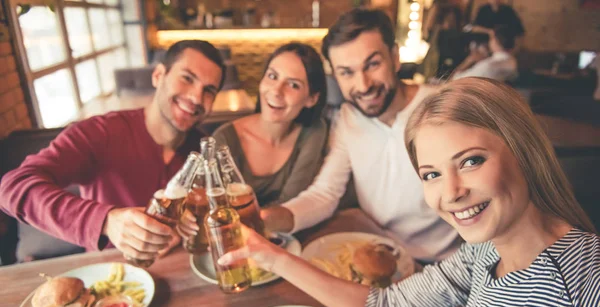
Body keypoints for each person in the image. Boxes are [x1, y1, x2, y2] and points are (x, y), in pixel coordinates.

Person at [219, 78, 600, 307]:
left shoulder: (588, 289)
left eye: (471, 161)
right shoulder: (482, 254)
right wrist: (268, 255)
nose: (450, 193)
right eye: (431, 174)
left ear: (524, 151)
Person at [262, 8, 460, 263]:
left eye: (373, 64)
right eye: (347, 72)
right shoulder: (348, 117)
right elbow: (325, 193)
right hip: (378, 253)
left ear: (395, 57)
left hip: (443, 264)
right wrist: (265, 219)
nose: (364, 85)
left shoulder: (444, 107)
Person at [0, 40, 225, 263]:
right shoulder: (101, 132)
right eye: (187, 78)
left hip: (182, 271)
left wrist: (185, 224)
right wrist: (107, 221)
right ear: (158, 76)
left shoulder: (204, 147)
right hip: (109, 275)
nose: (196, 97)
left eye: (209, 90)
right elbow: (13, 187)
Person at [212, 42, 328, 206]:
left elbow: (291, 204)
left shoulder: (313, 133)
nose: (276, 91)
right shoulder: (224, 140)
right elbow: (217, 210)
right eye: (272, 76)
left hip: (287, 230)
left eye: (293, 85)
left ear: (312, 99)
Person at [451, 25, 517, 82]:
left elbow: (456, 80)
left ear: (495, 41)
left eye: (491, 38)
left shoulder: (487, 65)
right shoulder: (512, 62)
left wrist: (469, 61)